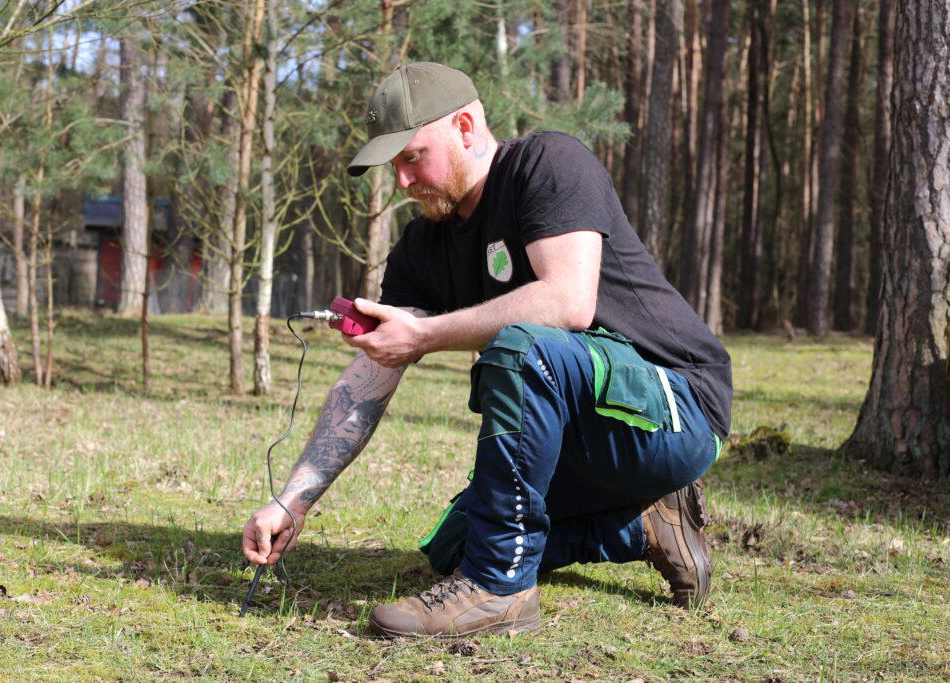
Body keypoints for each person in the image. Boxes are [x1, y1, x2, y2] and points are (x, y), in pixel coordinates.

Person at [242, 62, 732, 639]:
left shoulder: (549, 162)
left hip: (677, 413)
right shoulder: (420, 248)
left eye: (412, 157)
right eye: (392, 165)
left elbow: (568, 301)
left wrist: (426, 335)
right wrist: (292, 500)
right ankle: (646, 526)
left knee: (521, 347)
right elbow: (364, 384)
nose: (402, 181)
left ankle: (499, 590)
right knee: (456, 547)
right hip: (578, 440)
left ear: (466, 127)